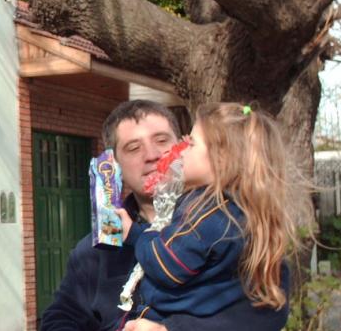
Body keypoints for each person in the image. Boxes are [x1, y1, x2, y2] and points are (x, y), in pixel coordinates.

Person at [39, 100, 291, 331]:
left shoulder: (236, 225)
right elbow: (60, 318)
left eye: (162, 140)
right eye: (133, 148)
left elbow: (268, 313)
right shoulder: (97, 251)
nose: (152, 155)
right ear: (116, 166)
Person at [116, 103, 311, 329]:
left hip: (166, 317)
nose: (182, 149)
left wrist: (135, 235)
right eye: (133, 148)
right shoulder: (242, 214)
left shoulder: (207, 212)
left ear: (221, 159)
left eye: (192, 143)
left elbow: (166, 264)